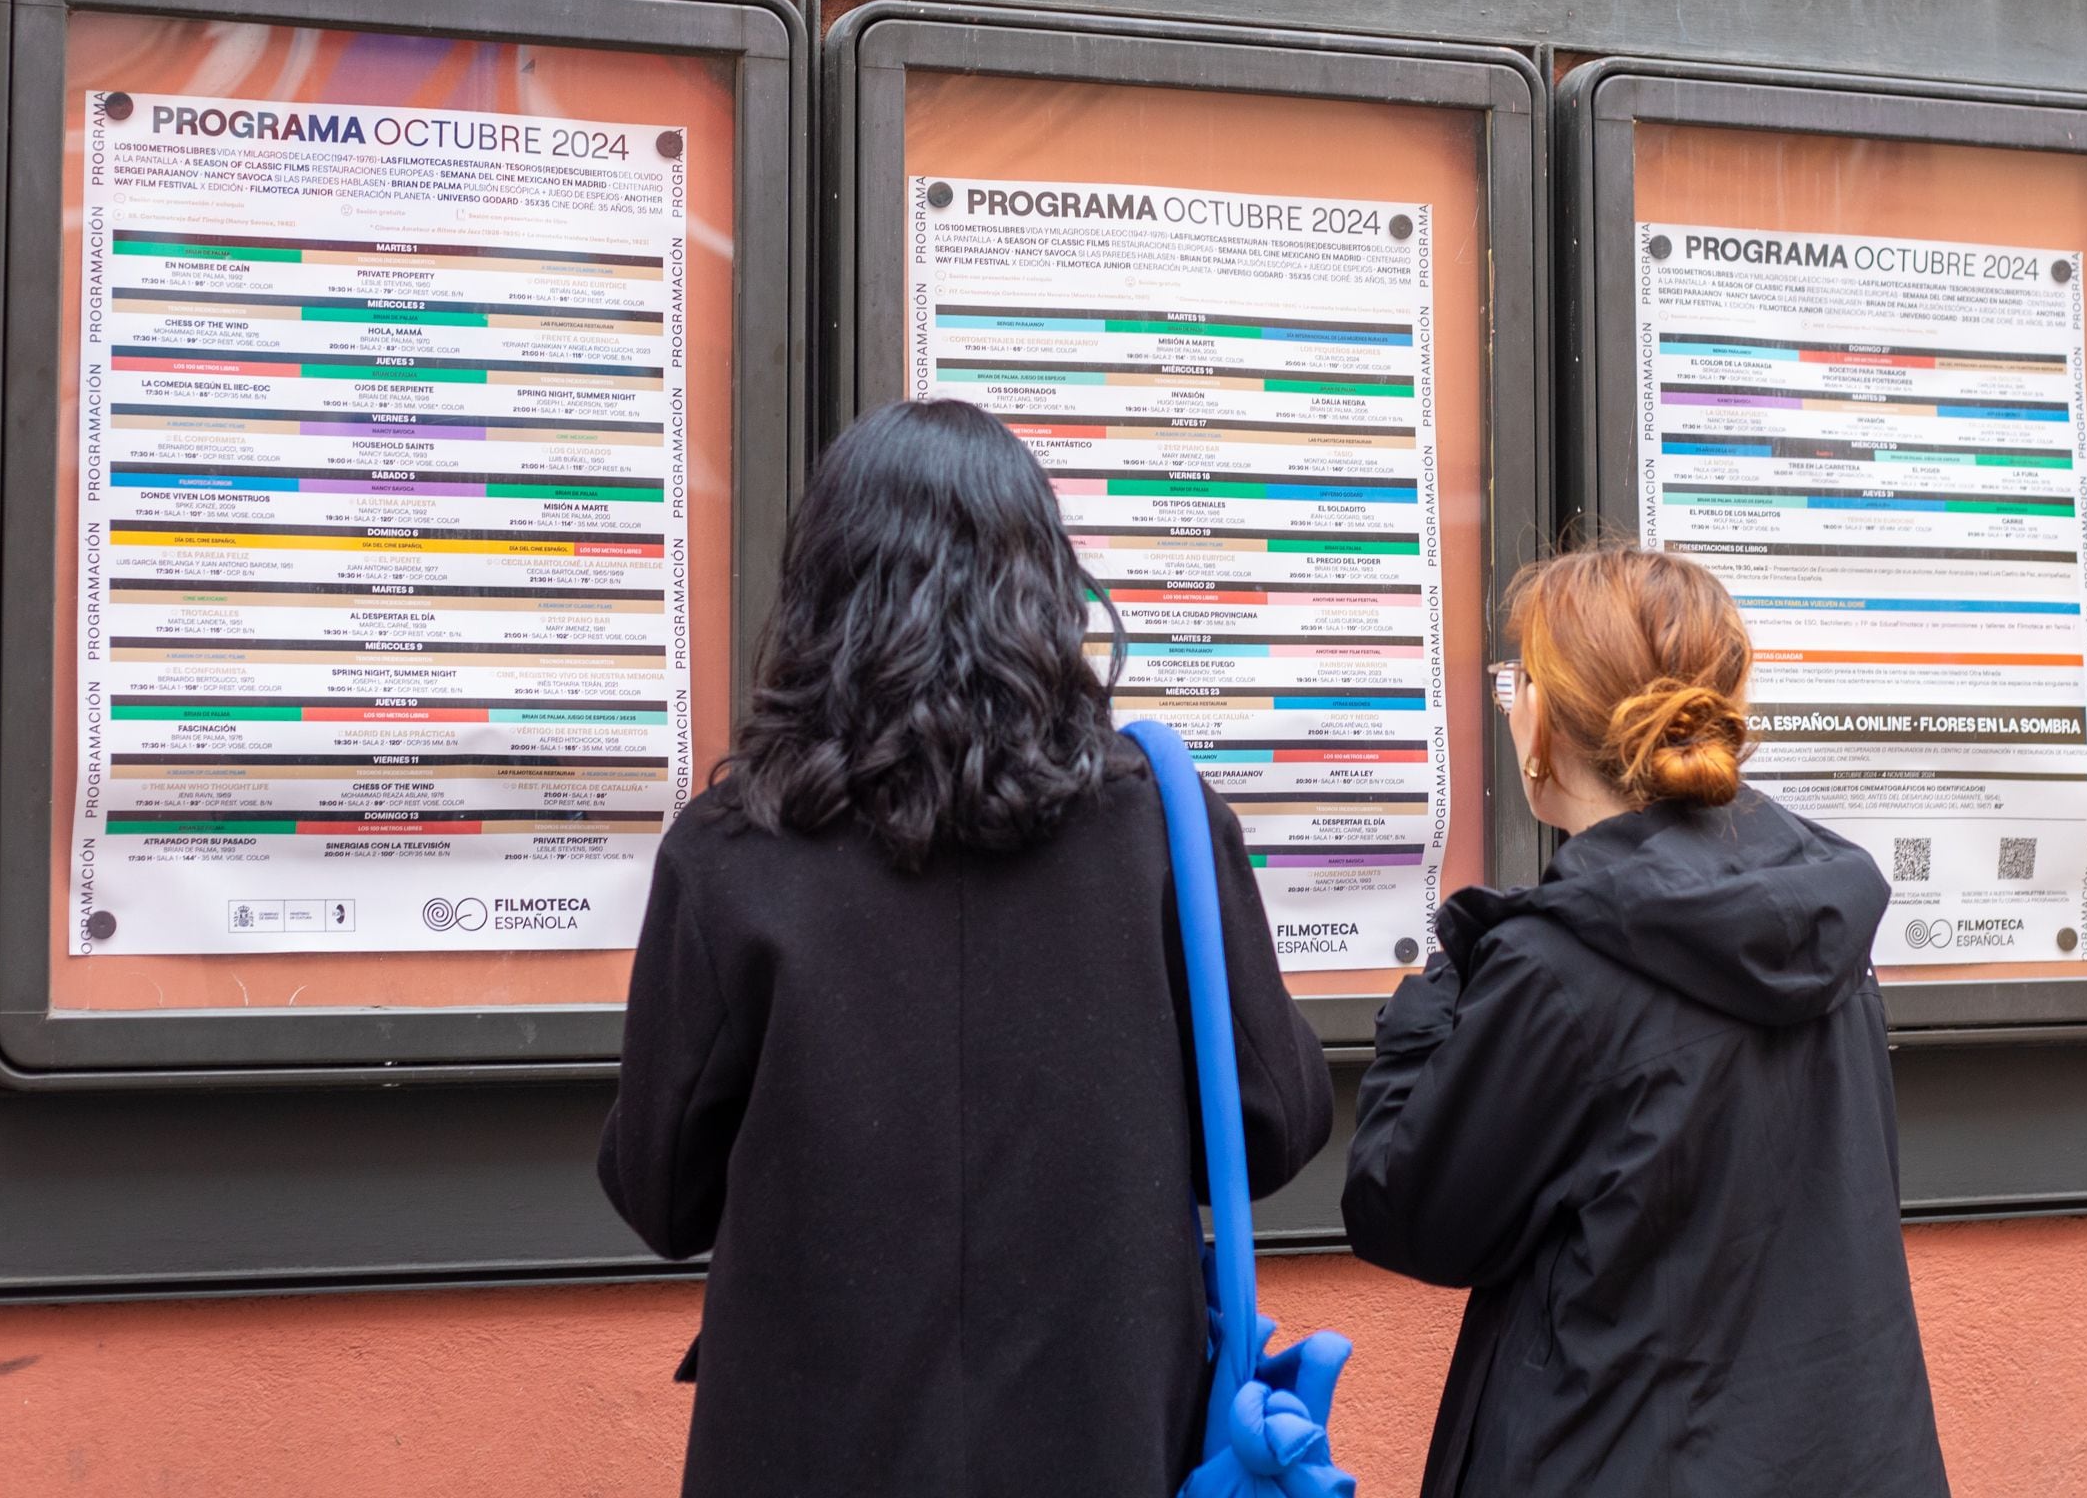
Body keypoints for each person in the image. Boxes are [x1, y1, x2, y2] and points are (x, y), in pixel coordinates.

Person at [600, 397, 1334, 1498]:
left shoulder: (730, 853)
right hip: (1108, 1438)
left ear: (823, 594)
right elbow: (1276, 1126)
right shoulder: (1160, 832)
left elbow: (660, 1197)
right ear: (1044, 585)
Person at [1344, 544, 1949, 1497]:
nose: (1510, 705)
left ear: (1543, 718)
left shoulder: (1560, 968)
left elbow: (1412, 1215)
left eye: (1518, 682)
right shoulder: (1821, 911)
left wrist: (1430, 1006)